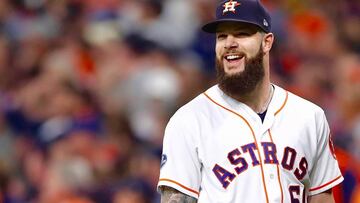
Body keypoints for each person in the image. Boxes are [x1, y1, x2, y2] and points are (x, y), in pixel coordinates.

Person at [157, 0, 343, 202]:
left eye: (241, 34)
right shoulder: (189, 120)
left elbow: (322, 197)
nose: (229, 43)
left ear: (267, 42)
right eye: (222, 36)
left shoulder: (309, 116)